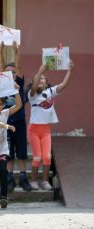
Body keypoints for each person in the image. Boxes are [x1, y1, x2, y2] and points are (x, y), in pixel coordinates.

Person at [27, 60, 74, 190]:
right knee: (37, 157)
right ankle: (33, 181)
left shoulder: (50, 92)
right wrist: (40, 71)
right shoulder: (32, 95)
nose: (41, 80)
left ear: (47, 83)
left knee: (47, 157)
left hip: (46, 130)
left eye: (43, 79)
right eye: (38, 79)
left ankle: (45, 181)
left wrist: (70, 70)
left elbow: (64, 84)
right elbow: (34, 85)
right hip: (34, 130)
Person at [0, 42, 32, 192]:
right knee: (9, 152)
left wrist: (15, 50)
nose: (11, 74)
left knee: (22, 152)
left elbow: (18, 66)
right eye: (8, 72)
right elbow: (1, 66)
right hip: (6, 122)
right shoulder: (2, 84)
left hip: (20, 121)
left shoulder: (18, 81)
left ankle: (23, 177)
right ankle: (10, 178)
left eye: (13, 71)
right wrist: (1, 49)